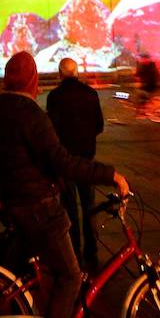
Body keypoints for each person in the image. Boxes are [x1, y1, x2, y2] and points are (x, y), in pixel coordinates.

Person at [0, 51, 130, 318]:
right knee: (68, 276)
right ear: (33, 81)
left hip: (15, 202)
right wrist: (109, 173)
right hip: (38, 205)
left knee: (27, 274)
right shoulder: (31, 114)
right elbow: (60, 160)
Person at [46, 57, 105, 270]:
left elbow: (51, 129)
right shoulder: (91, 94)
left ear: (60, 74)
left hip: (66, 160)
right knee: (89, 206)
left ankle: (75, 256)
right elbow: (99, 125)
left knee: (69, 208)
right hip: (86, 159)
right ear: (77, 72)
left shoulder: (55, 97)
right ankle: (93, 254)